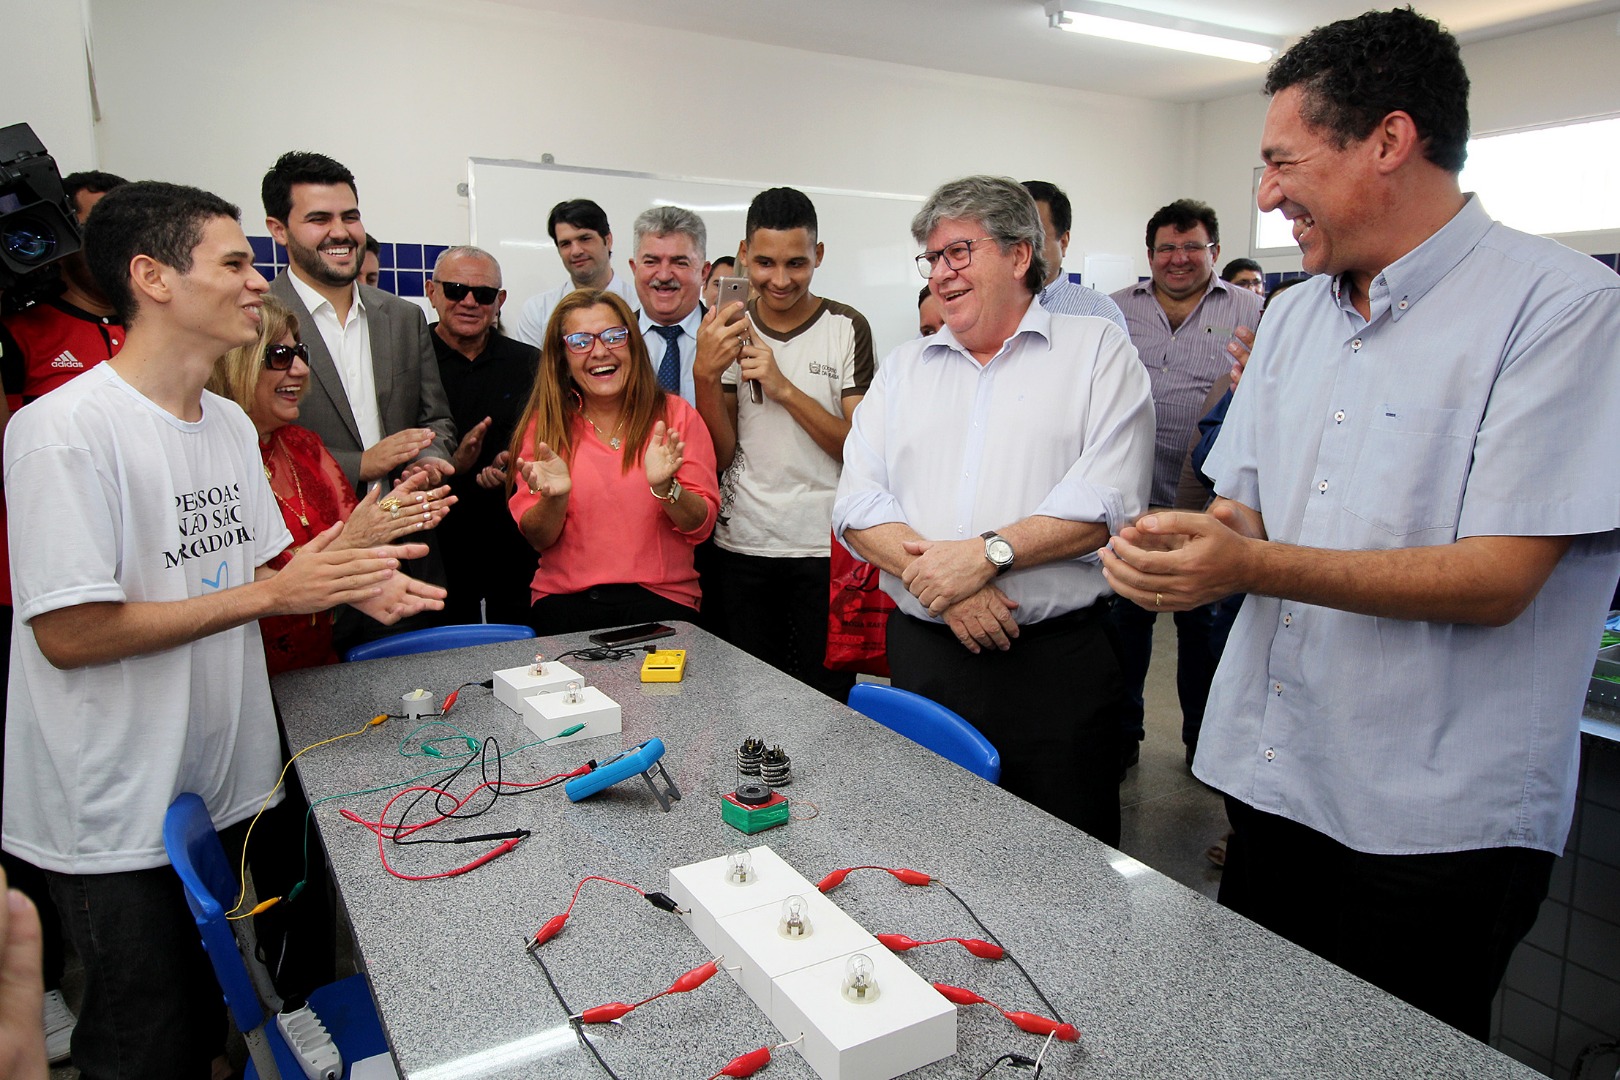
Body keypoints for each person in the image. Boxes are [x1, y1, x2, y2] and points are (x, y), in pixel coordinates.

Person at [1100, 8, 1620, 1041]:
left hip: (1431, 817)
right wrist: (1195, 545)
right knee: (1258, 1039)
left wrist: (1248, 560)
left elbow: (1498, 577)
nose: (1265, 194)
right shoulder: (1293, 315)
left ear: (1388, 140)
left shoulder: (1559, 308)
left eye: (1282, 162)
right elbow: (1244, 494)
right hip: (1278, 775)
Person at [2, 180, 444, 1080]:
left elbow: (256, 575)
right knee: (143, 1040)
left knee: (205, 1026)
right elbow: (71, 634)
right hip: (114, 800)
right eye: (235, 261)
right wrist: (275, 597)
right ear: (152, 278)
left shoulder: (228, 425)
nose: (257, 282)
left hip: (209, 781)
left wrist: (355, 569)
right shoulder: (65, 432)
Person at [834, 175, 1153, 845]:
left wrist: (982, 558)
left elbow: (1107, 501)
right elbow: (858, 503)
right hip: (926, 658)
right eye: (932, 257)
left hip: (1054, 669)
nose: (942, 273)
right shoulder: (904, 368)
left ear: (1017, 254)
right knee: (927, 853)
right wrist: (945, 588)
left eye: (958, 252)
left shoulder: (1097, 352)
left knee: (1066, 863)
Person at [0, 167, 128, 1064]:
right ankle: (34, 979)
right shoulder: (22, 331)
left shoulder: (134, 332)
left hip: (136, 594)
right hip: (33, 593)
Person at [207, 294, 454, 673]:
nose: (301, 370)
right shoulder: (205, 456)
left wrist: (386, 515)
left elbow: (346, 531)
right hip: (243, 669)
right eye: (279, 357)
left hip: (320, 660)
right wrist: (354, 545)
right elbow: (223, 583)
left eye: (300, 353)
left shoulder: (303, 446)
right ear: (236, 362)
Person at [693, 187, 874, 699]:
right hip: (744, 545)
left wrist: (783, 388)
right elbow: (720, 456)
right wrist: (705, 377)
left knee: (827, 701)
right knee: (751, 700)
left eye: (797, 263)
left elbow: (858, 450)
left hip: (824, 550)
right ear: (744, 254)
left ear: (818, 255)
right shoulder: (725, 325)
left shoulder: (846, 327)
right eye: (765, 262)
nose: (779, 279)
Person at [1109, 199, 1261, 771]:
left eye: (1192, 246)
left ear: (1214, 251)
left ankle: (1205, 746)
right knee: (1126, 627)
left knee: (1204, 634)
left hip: (1210, 509)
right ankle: (1123, 736)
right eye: (1167, 248)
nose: (1179, 259)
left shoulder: (1253, 309)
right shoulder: (1116, 310)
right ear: (1149, 254)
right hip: (1131, 501)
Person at [508, 289, 719, 633]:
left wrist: (667, 488)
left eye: (614, 336)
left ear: (634, 344)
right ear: (562, 357)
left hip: (663, 602)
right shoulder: (545, 424)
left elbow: (702, 526)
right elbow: (538, 538)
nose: (600, 351)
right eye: (580, 341)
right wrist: (554, 498)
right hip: (565, 602)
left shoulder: (676, 415)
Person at [262, 151, 457, 492]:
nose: (341, 232)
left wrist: (426, 457)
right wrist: (359, 466)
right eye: (319, 219)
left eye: (350, 217)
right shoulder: (253, 322)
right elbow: (250, 440)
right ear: (279, 230)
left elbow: (435, 419)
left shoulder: (403, 317)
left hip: (408, 526)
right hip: (313, 535)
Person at [423, 246, 541, 625]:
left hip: (513, 534)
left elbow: (552, 439)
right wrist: (451, 465)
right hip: (435, 537)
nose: (470, 301)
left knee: (522, 647)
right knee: (444, 655)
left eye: (484, 294)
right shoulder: (409, 359)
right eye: (456, 289)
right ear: (432, 292)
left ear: (500, 300)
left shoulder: (531, 363)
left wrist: (513, 464)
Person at [514, 199, 637, 347]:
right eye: (565, 244)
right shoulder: (538, 311)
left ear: (608, 240)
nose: (576, 251)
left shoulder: (639, 305)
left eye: (585, 239)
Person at [1020, 180, 1127, 331]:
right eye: (1011, 238)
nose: (1021, 250)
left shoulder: (1099, 314)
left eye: (1034, 238)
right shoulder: (986, 305)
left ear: (1063, 242)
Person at [629, 205, 709, 408]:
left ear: (704, 272)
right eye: (651, 262)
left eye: (680, 263)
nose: (664, 275)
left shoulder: (729, 341)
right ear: (634, 268)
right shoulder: (613, 341)